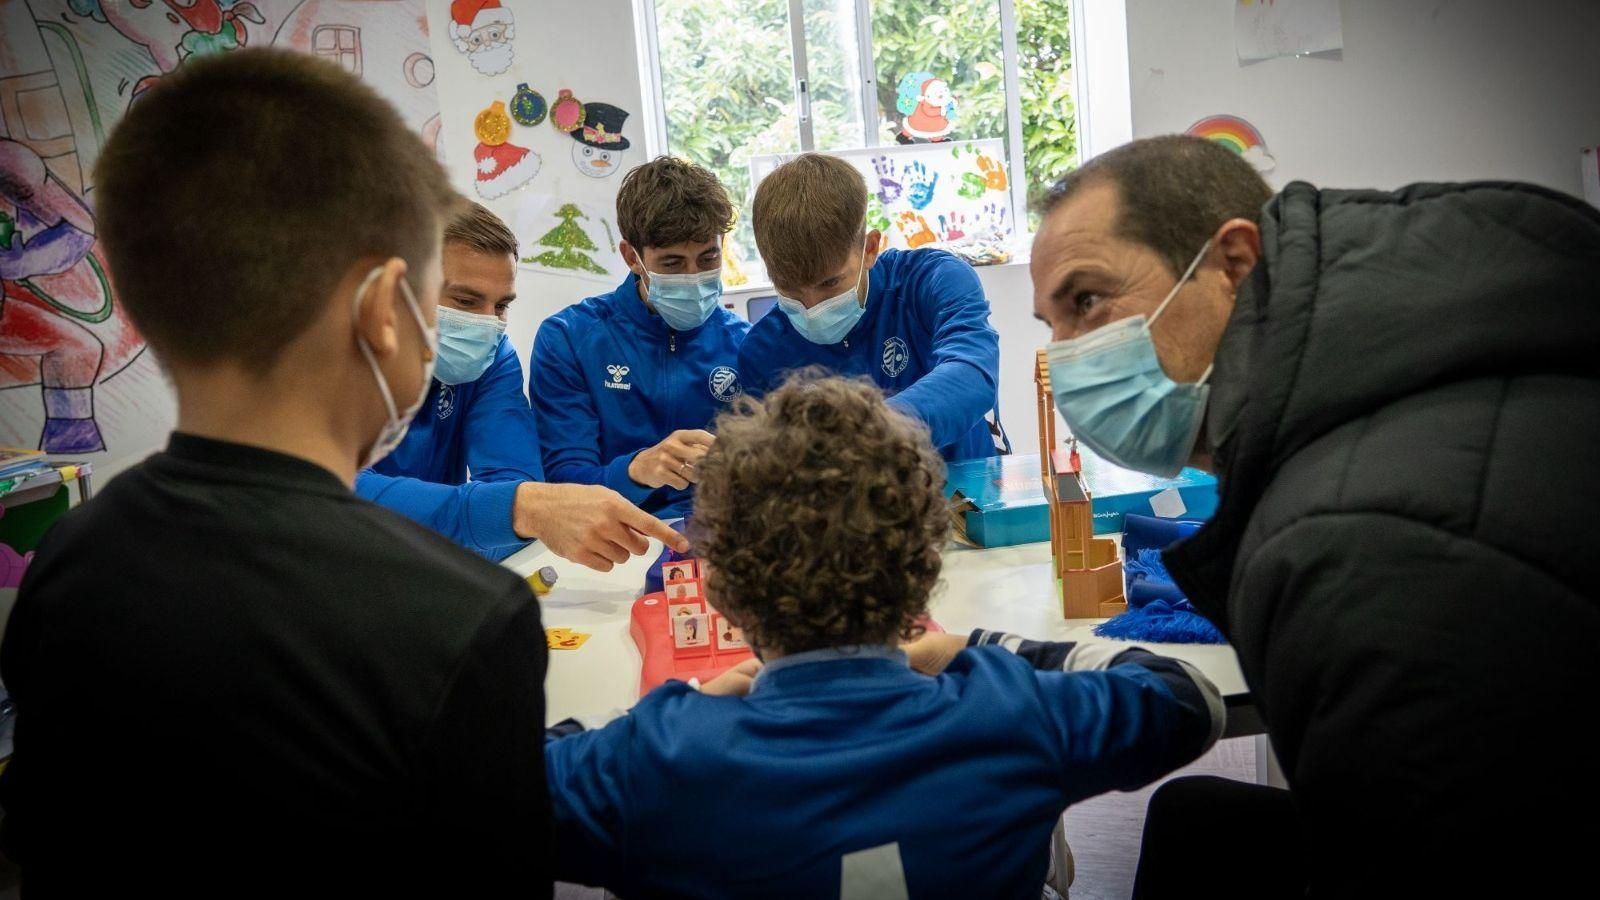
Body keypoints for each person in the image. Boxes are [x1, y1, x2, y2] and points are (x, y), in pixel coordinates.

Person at [0, 50, 557, 895]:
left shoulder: (68, 558)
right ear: (384, 310)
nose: (475, 329)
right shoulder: (466, 618)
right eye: (452, 303)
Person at [1029, 134, 1600, 896]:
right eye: (1052, 325)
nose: (1065, 359)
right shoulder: (1453, 333)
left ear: (1233, 264)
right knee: (1195, 820)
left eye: (1087, 300)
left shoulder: (1347, 556)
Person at [543, 375, 1223, 898]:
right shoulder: (1012, 711)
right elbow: (1187, 697)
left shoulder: (657, 756)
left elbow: (484, 786)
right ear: (926, 571)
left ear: (717, 589)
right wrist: (975, 646)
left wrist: (672, 709)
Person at [356, 201, 680, 567]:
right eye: (465, 300)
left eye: (501, 306)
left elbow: (515, 487)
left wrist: (508, 514)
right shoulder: (333, 362)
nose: (486, 323)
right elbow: (334, 496)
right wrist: (512, 512)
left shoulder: (493, 357)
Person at [737, 153, 1006, 461]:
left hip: (963, 493)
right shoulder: (761, 352)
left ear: (870, 248)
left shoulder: (933, 279)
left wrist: (867, 427)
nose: (812, 308)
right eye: (790, 289)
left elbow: (972, 374)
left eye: (830, 284)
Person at [532, 157, 749, 518]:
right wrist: (636, 471)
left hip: (721, 535)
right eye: (673, 263)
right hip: (612, 533)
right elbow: (564, 482)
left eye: (708, 257)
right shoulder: (569, 340)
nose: (694, 277)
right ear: (632, 256)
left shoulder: (744, 344)